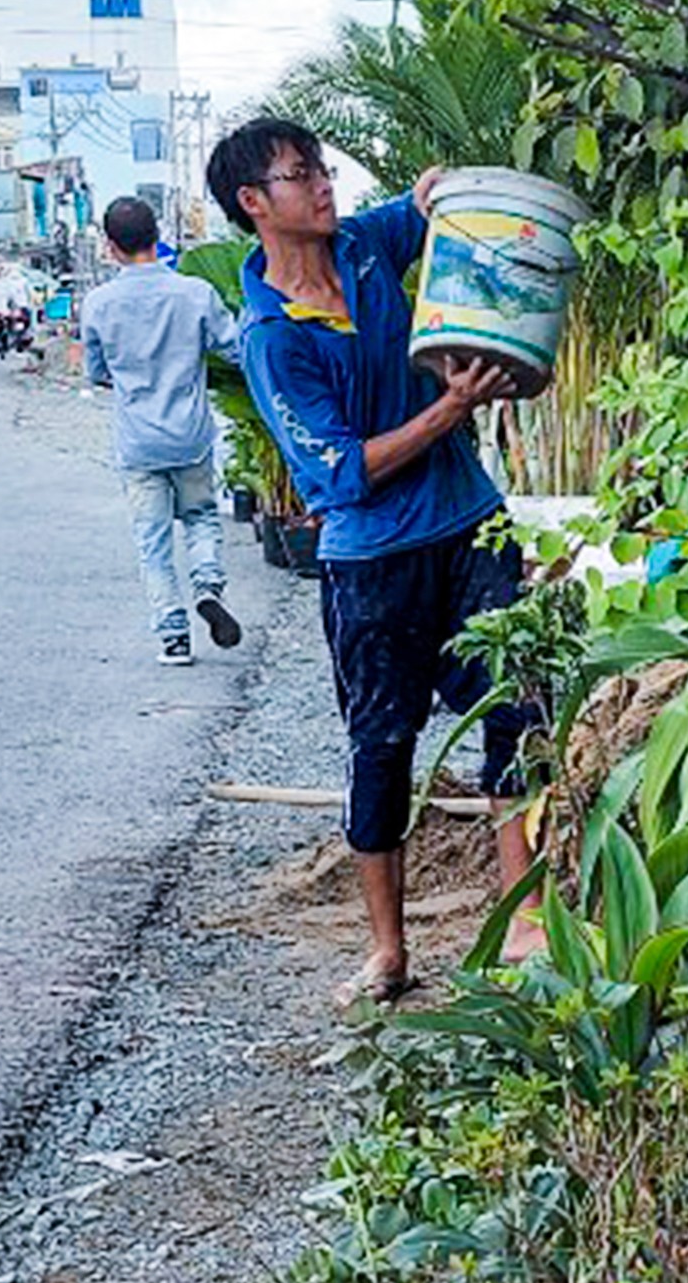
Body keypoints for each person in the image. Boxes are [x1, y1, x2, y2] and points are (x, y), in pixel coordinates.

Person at [207, 118, 541, 1009]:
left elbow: (424, 207)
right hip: (374, 564)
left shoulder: (361, 246)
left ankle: (527, 920)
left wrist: (447, 190)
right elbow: (339, 473)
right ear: (254, 204)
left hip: (470, 525)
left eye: (321, 167)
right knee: (383, 749)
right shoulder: (273, 338)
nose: (323, 184)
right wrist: (452, 407)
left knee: (517, 709)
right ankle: (389, 950)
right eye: (299, 175)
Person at [80, 197, 245, 667]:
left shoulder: (98, 303)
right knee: (201, 517)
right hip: (190, 434)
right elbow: (235, 348)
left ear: (111, 247)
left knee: (151, 540)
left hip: (138, 442)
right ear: (158, 238)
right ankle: (208, 586)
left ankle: (173, 637)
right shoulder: (195, 294)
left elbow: (95, 372)